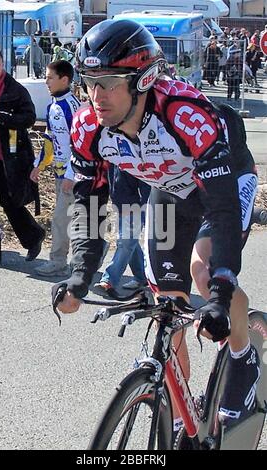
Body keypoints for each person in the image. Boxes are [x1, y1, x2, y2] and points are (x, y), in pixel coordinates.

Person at [52, 19, 260, 432]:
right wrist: (80, 275)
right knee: (166, 297)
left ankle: (243, 357)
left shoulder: (185, 114)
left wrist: (219, 292)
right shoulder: (88, 126)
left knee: (203, 275)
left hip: (225, 181)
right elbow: (89, 204)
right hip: (171, 191)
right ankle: (182, 407)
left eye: (109, 81)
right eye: (90, 81)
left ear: (142, 81)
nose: (96, 95)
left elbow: (219, 209)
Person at [0, 43, 45, 264]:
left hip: (11, 158)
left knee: (11, 202)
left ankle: (34, 237)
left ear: (3, 64)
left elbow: (29, 118)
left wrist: (1, 116)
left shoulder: (15, 90)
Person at [30, 60, 80, 277]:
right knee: (71, 219)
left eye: (50, 77)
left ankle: (58, 262)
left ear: (64, 79)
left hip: (75, 175)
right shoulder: (52, 106)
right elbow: (49, 140)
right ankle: (94, 251)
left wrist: (72, 172)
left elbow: (81, 143)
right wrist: (39, 165)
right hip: (59, 174)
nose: (46, 82)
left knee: (61, 219)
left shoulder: (72, 106)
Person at [94, 165, 150, 293]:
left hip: (142, 201)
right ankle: (140, 276)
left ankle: (109, 279)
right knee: (128, 241)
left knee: (126, 241)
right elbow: (113, 174)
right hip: (124, 201)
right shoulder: (113, 148)